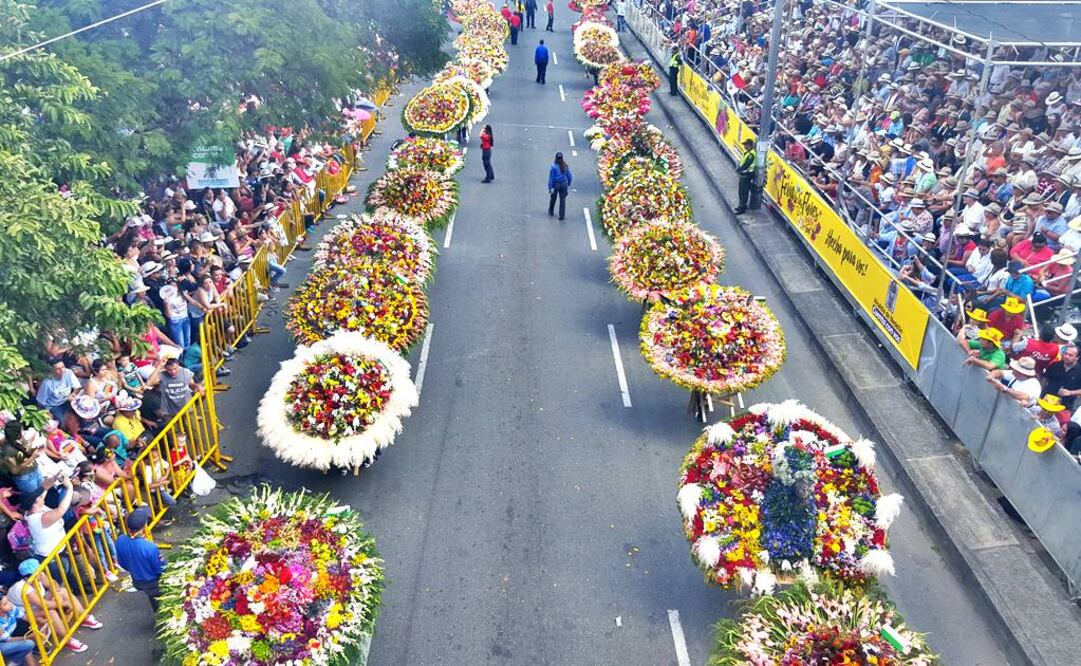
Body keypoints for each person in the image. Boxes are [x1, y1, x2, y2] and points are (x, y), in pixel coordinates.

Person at [115, 506, 165, 612]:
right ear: (144, 525)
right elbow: (160, 568)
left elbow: (122, 563)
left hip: (137, 580)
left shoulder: (120, 540)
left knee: (154, 601)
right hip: (153, 582)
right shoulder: (149, 547)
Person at [0, 595, 38, 665]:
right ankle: (12, 662)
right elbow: (8, 639)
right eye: (5, 604)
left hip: (8, 638)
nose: (10, 604)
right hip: (2, 645)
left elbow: (25, 617)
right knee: (29, 644)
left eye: (8, 601)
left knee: (26, 647)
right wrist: (28, 637)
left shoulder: (11, 608)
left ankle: (15, 662)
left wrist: (38, 622)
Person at [1044, 343, 1081, 410]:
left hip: (1064, 406)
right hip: (1047, 401)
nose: (1066, 356)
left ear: (1077, 358)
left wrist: (1070, 393)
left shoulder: (1079, 372)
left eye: (1070, 355)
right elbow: (1045, 379)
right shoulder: (1055, 365)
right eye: (1066, 353)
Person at [547, 152, 573, 221]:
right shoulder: (565, 166)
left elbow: (551, 178)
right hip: (563, 184)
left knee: (553, 198)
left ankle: (551, 211)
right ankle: (561, 215)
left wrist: (550, 188)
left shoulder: (553, 167)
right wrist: (569, 183)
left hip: (555, 184)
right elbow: (569, 176)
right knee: (562, 200)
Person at [734, 139, 756, 214]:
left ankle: (742, 208)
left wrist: (739, 169)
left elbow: (746, 165)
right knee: (741, 191)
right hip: (743, 174)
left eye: (745, 145)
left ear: (749, 145)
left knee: (744, 192)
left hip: (747, 175)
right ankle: (741, 205)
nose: (744, 146)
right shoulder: (747, 153)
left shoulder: (751, 155)